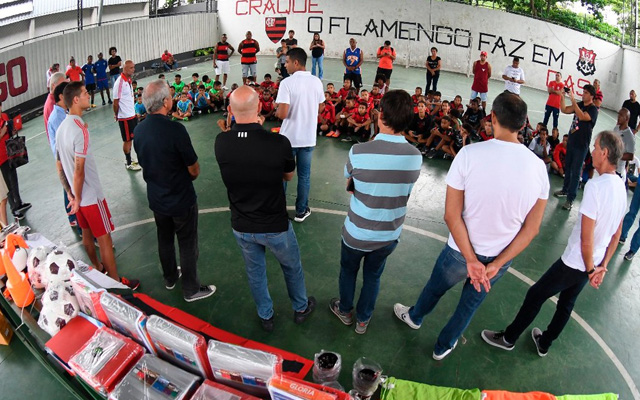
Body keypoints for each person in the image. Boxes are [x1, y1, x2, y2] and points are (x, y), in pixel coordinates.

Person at [393, 92, 549, 361]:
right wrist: (497, 264)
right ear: (523, 125)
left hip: (459, 252)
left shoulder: (469, 154)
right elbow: (531, 230)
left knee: (436, 287)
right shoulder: (538, 169)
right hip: (498, 258)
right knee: (469, 306)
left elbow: (452, 216)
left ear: (493, 118)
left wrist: (470, 260)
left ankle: (415, 317)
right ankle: (443, 346)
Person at [481, 131, 625, 356]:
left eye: (595, 147)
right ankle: (545, 342)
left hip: (577, 262)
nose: (592, 151)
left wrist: (589, 270)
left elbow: (585, 240)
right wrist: (601, 266)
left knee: (536, 295)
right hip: (593, 263)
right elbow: (616, 234)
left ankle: (509, 338)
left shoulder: (595, 188)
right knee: (566, 304)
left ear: (605, 153)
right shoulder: (620, 186)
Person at [215, 85, 315, 332]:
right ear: (260, 107)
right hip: (275, 225)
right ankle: (301, 308)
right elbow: (289, 176)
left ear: (229, 111)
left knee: (255, 272)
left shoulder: (221, 142)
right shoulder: (279, 142)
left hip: (242, 225)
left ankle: (266, 315)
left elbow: (240, 142)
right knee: (291, 267)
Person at [329, 90, 421, 334]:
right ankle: (363, 319)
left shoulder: (358, 151)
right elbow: (405, 190)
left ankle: (345, 310)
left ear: (380, 117)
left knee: (348, 271)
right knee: (373, 276)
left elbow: (349, 182)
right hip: (388, 235)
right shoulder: (415, 157)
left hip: (356, 233)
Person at [132, 79, 215, 302]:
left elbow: (144, 161)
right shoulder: (175, 130)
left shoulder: (138, 131)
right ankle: (191, 289)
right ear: (166, 101)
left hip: (157, 198)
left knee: (164, 238)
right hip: (180, 198)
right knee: (187, 243)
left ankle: (170, 277)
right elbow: (194, 169)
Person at [55, 81, 139, 289]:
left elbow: (59, 167)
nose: (88, 95)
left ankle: (97, 267)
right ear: (75, 100)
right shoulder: (80, 130)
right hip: (90, 196)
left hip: (78, 198)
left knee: (86, 234)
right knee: (105, 240)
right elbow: (79, 169)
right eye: (84, 93)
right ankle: (117, 284)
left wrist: (71, 196)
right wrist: (79, 197)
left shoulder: (61, 128)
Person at [275, 47, 325, 223]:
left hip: (288, 139)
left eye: (287, 62)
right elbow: (321, 107)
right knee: (304, 176)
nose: (285, 65)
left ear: (296, 62)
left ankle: (278, 211)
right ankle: (301, 211)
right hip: (308, 138)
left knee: (283, 175)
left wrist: (277, 110)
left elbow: (282, 114)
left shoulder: (287, 83)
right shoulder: (316, 82)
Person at [553, 84, 598, 210]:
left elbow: (583, 117)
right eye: (583, 92)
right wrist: (562, 97)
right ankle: (565, 189)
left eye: (586, 93)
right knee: (568, 167)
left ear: (592, 96)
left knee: (576, 171)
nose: (583, 94)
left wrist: (573, 100)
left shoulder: (593, 110)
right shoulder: (580, 104)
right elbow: (564, 109)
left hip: (581, 145)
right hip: (572, 142)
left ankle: (570, 199)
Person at [0, 101, 30, 221]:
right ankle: (14, 209)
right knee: (7, 185)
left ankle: (18, 202)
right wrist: (3, 131)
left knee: (14, 179)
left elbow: (10, 132)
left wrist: (12, 129)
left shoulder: (5, 116)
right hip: (1, 158)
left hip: (9, 153)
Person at [113, 60, 142, 171]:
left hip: (132, 115)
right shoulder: (119, 83)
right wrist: (116, 115)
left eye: (134, 67)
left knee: (133, 138)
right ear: (124, 68)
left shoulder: (128, 80)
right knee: (127, 140)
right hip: (125, 118)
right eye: (131, 68)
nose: (133, 69)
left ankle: (130, 158)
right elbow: (116, 103)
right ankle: (128, 162)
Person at [613, 108, 635, 182]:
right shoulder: (616, 129)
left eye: (621, 115)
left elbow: (630, 156)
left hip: (618, 171)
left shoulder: (630, 136)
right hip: (611, 167)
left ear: (627, 119)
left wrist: (616, 155)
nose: (618, 117)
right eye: (618, 114)